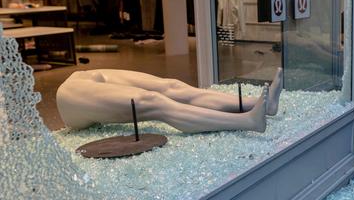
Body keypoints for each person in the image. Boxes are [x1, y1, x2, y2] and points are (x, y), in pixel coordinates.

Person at [57, 68, 283, 134]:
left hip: (85, 75)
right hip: (72, 96)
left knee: (172, 86)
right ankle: (248, 122)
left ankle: (262, 104)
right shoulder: (71, 94)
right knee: (154, 101)